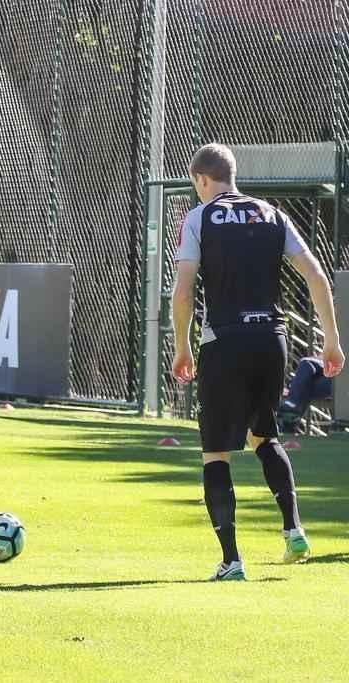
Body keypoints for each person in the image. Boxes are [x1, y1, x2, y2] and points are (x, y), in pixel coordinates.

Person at [171, 143, 344, 581]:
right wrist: (331, 342)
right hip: (273, 338)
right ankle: (294, 530)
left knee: (215, 453)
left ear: (203, 180)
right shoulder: (272, 214)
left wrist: (182, 346)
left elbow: (184, 290)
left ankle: (231, 561)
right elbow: (316, 275)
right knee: (263, 436)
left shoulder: (201, 217)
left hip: (224, 340)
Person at [277, 356, 334, 433]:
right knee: (306, 364)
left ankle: (291, 410)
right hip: (331, 366)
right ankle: (291, 410)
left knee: (302, 386)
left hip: (341, 379)